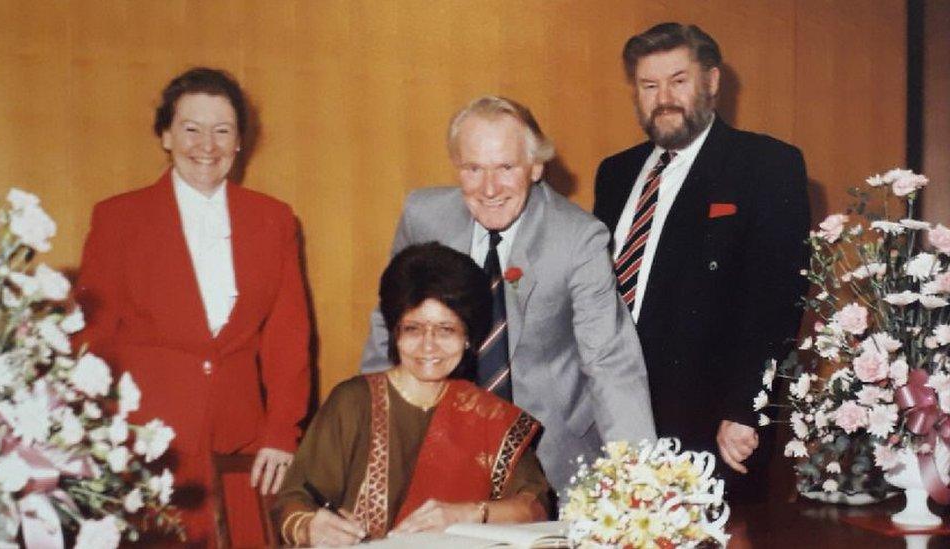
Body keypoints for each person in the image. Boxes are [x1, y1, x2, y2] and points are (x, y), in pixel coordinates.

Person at [361, 96, 656, 494]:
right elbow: (390, 327)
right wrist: (374, 440)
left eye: (505, 167)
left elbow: (610, 363)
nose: (489, 189)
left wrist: (642, 482)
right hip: (442, 449)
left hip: (552, 454)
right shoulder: (423, 216)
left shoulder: (578, 238)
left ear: (536, 167)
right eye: (473, 168)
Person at [75, 67, 311, 546]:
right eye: (191, 128)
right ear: (165, 135)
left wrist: (281, 433)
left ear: (240, 141)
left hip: (243, 453)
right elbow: (92, 340)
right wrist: (98, 442)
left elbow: (289, 337)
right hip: (148, 452)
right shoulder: (118, 219)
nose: (208, 144)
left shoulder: (274, 219)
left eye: (223, 130)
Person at [592, 23, 810, 500]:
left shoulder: (766, 165)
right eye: (649, 86)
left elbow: (777, 300)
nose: (663, 97)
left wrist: (745, 408)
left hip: (712, 423)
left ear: (711, 82)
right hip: (612, 411)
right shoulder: (615, 173)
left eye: (678, 80)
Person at [275, 243, 550, 547]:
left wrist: (470, 514)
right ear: (395, 333)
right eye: (413, 329)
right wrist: (310, 527)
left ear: (468, 337)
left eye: (446, 330)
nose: (428, 346)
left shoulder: (490, 416)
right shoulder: (353, 402)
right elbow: (293, 501)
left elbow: (535, 507)